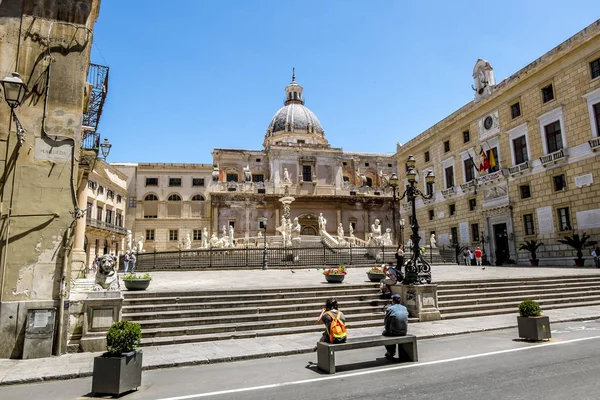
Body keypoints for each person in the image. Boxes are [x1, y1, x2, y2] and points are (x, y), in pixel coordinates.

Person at [383, 294, 409, 360]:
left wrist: (387, 329)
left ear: (393, 301)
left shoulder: (390, 309)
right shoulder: (404, 308)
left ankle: (391, 351)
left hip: (394, 332)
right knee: (392, 331)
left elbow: (386, 321)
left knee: (385, 334)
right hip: (404, 331)